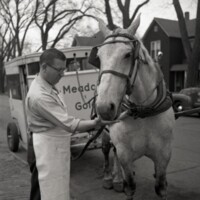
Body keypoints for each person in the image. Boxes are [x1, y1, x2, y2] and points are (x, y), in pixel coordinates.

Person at [25, 48, 115, 200]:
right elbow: (69, 124)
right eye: (59, 70)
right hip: (43, 150)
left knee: (52, 191)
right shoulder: (39, 96)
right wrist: (96, 123)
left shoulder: (48, 85)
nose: (63, 74)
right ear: (44, 67)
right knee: (43, 192)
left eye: (64, 69)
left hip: (51, 146)